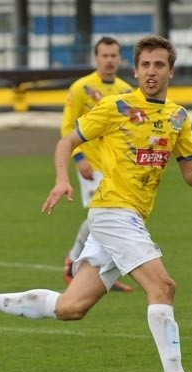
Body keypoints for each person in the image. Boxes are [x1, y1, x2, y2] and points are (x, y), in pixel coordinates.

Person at [0, 36, 192, 372]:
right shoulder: (117, 107)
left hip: (130, 218)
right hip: (113, 212)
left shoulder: (178, 117)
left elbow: (190, 173)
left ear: (170, 71)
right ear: (136, 69)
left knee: (71, 308)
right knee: (163, 286)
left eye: (159, 65)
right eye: (145, 65)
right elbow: (66, 142)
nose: (151, 72)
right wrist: (62, 179)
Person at [61, 36, 133, 292]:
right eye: (105, 56)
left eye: (114, 55)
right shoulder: (81, 88)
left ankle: (98, 272)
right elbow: (68, 126)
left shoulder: (127, 91)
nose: (110, 60)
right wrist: (78, 158)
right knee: (100, 215)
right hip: (91, 163)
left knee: (110, 217)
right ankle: (73, 260)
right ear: (96, 58)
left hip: (116, 167)